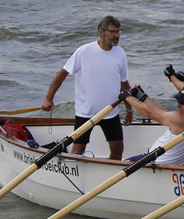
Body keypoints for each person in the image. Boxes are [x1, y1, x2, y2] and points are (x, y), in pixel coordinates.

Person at [40, 16, 131, 160]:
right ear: (101, 32)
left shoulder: (120, 54)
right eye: (112, 32)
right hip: (86, 112)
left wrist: (129, 109)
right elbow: (62, 74)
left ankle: (113, 172)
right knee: (78, 148)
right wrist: (48, 99)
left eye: (118, 32)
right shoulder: (84, 51)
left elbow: (124, 84)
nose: (117, 35)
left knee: (118, 147)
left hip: (110, 111)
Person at [122, 83, 184, 167]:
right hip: (177, 164)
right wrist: (142, 97)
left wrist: (127, 97)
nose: (178, 105)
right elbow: (164, 113)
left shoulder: (180, 120)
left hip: (155, 161)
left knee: (122, 163)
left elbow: (148, 112)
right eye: (178, 101)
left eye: (182, 102)